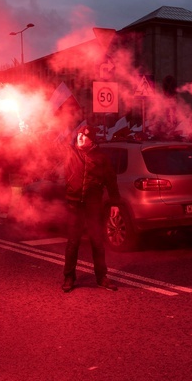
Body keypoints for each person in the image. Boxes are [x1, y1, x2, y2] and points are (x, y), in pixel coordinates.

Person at [61, 124, 121, 292]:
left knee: (97, 241)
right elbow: (49, 147)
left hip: (93, 203)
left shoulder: (101, 158)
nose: (80, 138)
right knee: (73, 242)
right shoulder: (69, 152)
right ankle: (69, 277)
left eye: (84, 136)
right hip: (74, 203)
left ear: (92, 140)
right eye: (79, 134)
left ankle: (101, 277)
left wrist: (115, 202)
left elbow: (111, 180)